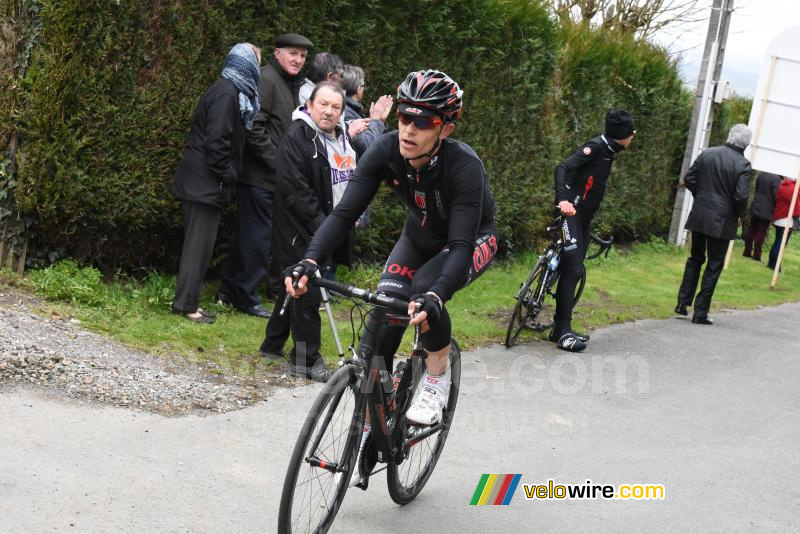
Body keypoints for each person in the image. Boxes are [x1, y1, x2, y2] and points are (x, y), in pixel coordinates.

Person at [285, 70, 498, 432]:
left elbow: (461, 245)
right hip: (418, 237)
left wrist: (436, 294)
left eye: (424, 121)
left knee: (425, 295)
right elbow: (344, 213)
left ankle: (436, 377)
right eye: (404, 117)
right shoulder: (386, 149)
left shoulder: (464, 166)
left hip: (469, 240)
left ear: (445, 129)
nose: (410, 130)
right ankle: (374, 418)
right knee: (380, 326)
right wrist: (310, 260)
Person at [259, 82, 357, 382]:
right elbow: (295, 191)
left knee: (293, 282)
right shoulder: (297, 136)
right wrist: (326, 227)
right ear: (310, 105)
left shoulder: (340, 137)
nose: (328, 111)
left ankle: (272, 343)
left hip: (325, 225)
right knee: (307, 289)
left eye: (335, 107)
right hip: (299, 228)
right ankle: (306, 359)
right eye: (323, 104)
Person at [216, 33, 313, 318]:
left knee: (251, 238)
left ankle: (228, 291)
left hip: (273, 180)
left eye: (303, 56)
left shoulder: (290, 83)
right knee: (257, 241)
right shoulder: (268, 79)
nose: (298, 60)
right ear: (277, 53)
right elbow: (254, 128)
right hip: (259, 177)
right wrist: (279, 163)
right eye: (292, 54)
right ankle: (245, 297)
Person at [170, 43, 261, 324]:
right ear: (247, 66)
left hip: (203, 183)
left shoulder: (229, 91)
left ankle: (186, 302)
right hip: (204, 184)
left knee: (199, 246)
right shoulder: (227, 93)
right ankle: (186, 305)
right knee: (198, 248)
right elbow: (217, 142)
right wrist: (229, 175)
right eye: (257, 63)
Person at [551, 109, 635, 351]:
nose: (633, 138)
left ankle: (558, 327)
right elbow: (562, 167)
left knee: (575, 269)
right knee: (573, 268)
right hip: (571, 213)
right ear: (624, 135)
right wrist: (563, 200)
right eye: (632, 134)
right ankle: (563, 333)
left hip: (584, 218)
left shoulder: (609, 151)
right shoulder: (596, 147)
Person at [676, 124, 752, 325]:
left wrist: (700, 196)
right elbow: (741, 196)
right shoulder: (743, 164)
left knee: (695, 258)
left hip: (700, 214)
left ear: (729, 136)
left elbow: (690, 178)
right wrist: (737, 213)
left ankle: (682, 303)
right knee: (714, 265)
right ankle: (700, 312)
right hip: (723, 221)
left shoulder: (708, 153)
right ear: (747, 144)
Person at [341, 64, 393, 157]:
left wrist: (380, 121)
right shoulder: (346, 113)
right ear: (358, 89)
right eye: (363, 85)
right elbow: (366, 148)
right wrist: (376, 119)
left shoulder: (350, 109)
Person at [743, 171, 781, 262]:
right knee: (761, 231)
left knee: (752, 229)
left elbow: (757, 189)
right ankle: (756, 254)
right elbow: (775, 195)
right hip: (767, 209)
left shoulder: (761, 175)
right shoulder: (776, 179)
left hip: (756, 204)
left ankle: (747, 251)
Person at [767, 176, 800, 270]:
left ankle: (771, 262)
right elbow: (796, 207)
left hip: (779, 218)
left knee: (778, 241)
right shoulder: (794, 189)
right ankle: (775, 264)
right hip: (787, 220)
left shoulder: (782, 186)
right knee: (781, 243)